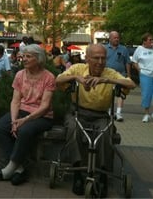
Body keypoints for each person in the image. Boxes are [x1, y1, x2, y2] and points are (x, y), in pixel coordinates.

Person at [55, 44, 136, 195]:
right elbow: (57, 80)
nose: (100, 62)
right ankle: (78, 175)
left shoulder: (109, 73)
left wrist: (106, 81)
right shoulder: (78, 68)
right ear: (87, 58)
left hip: (101, 115)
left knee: (106, 134)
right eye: (96, 58)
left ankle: (103, 176)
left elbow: (131, 84)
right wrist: (75, 77)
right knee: (73, 130)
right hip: (77, 112)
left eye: (103, 58)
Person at [0, 44, 55, 186]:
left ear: (39, 58)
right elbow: (15, 100)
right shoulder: (19, 74)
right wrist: (13, 120)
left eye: (28, 56)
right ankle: (19, 169)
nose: (24, 59)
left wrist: (25, 120)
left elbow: (45, 106)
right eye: (23, 56)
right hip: (23, 110)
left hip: (41, 115)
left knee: (24, 130)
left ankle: (9, 170)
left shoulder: (49, 77)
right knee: (0, 127)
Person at [132, 32, 153, 123]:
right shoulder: (139, 49)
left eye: (152, 39)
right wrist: (140, 70)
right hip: (145, 75)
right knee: (146, 95)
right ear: (144, 41)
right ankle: (146, 114)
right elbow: (134, 62)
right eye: (150, 40)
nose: (152, 41)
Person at [104, 31, 131, 121]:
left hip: (121, 75)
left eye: (118, 38)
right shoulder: (104, 48)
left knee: (121, 94)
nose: (117, 39)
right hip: (108, 75)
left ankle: (118, 113)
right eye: (115, 38)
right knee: (108, 94)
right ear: (110, 38)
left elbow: (127, 62)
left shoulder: (123, 49)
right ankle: (108, 112)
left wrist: (128, 76)